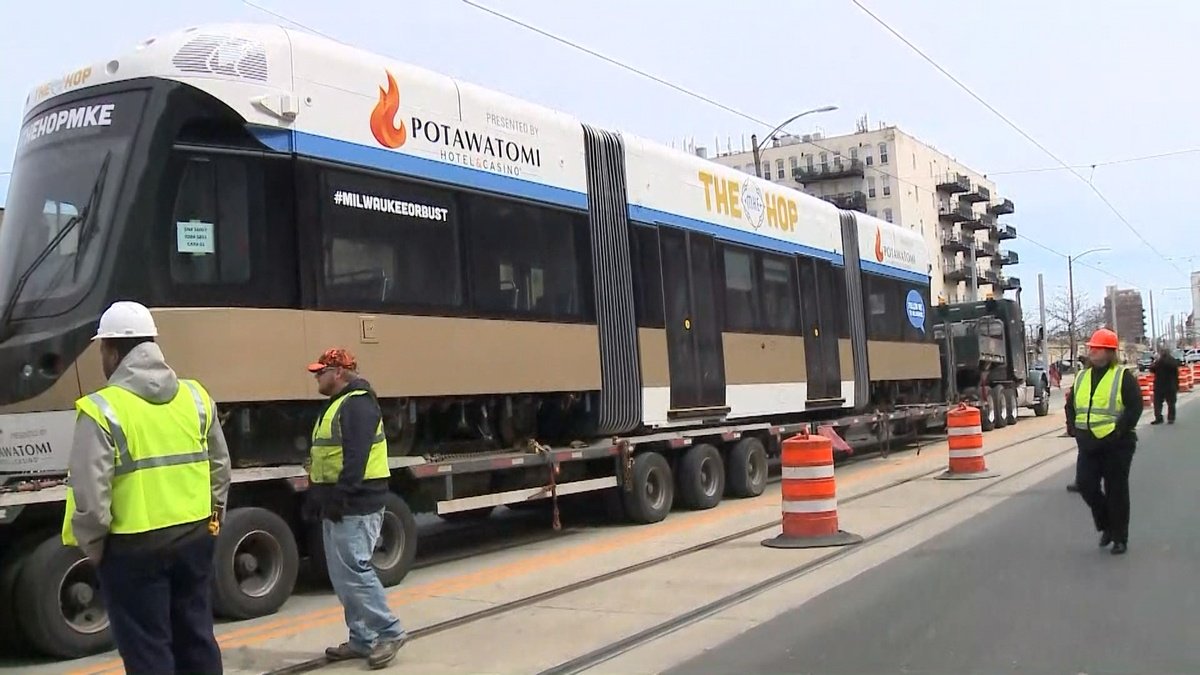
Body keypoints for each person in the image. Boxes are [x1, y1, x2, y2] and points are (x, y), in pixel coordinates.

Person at [61, 301, 230, 674]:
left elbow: (91, 498)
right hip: (194, 541)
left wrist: (95, 548)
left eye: (102, 348)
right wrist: (212, 524)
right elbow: (220, 468)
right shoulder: (196, 397)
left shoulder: (102, 409)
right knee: (197, 638)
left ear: (112, 350)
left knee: (148, 651)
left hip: (132, 552)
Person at [303, 348, 407, 669]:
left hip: (357, 504)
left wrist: (339, 499)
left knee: (355, 572)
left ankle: (390, 631)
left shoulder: (358, 404)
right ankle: (362, 638)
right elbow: (328, 457)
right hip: (338, 502)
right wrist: (316, 496)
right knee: (342, 576)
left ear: (339, 373)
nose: (317, 376)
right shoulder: (336, 405)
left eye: (322, 371)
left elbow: (356, 459)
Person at [1064, 328, 1143, 555]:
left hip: (1117, 445)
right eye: (1091, 348)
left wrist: (1119, 432)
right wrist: (1073, 428)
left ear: (1109, 352)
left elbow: (1134, 407)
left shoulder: (1122, 376)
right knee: (1086, 485)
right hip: (1088, 444)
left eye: (1096, 348)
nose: (1092, 352)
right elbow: (1071, 406)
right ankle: (1106, 525)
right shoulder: (1082, 376)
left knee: (1116, 490)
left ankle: (1120, 538)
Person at [1148, 345, 1179, 425]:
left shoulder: (1159, 362)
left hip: (1159, 386)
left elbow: (1151, 369)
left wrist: (1154, 361)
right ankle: (1171, 418)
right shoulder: (1173, 361)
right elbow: (1176, 373)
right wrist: (1177, 385)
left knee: (1157, 403)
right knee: (1171, 403)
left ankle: (1159, 418)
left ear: (1161, 353)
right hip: (1170, 386)